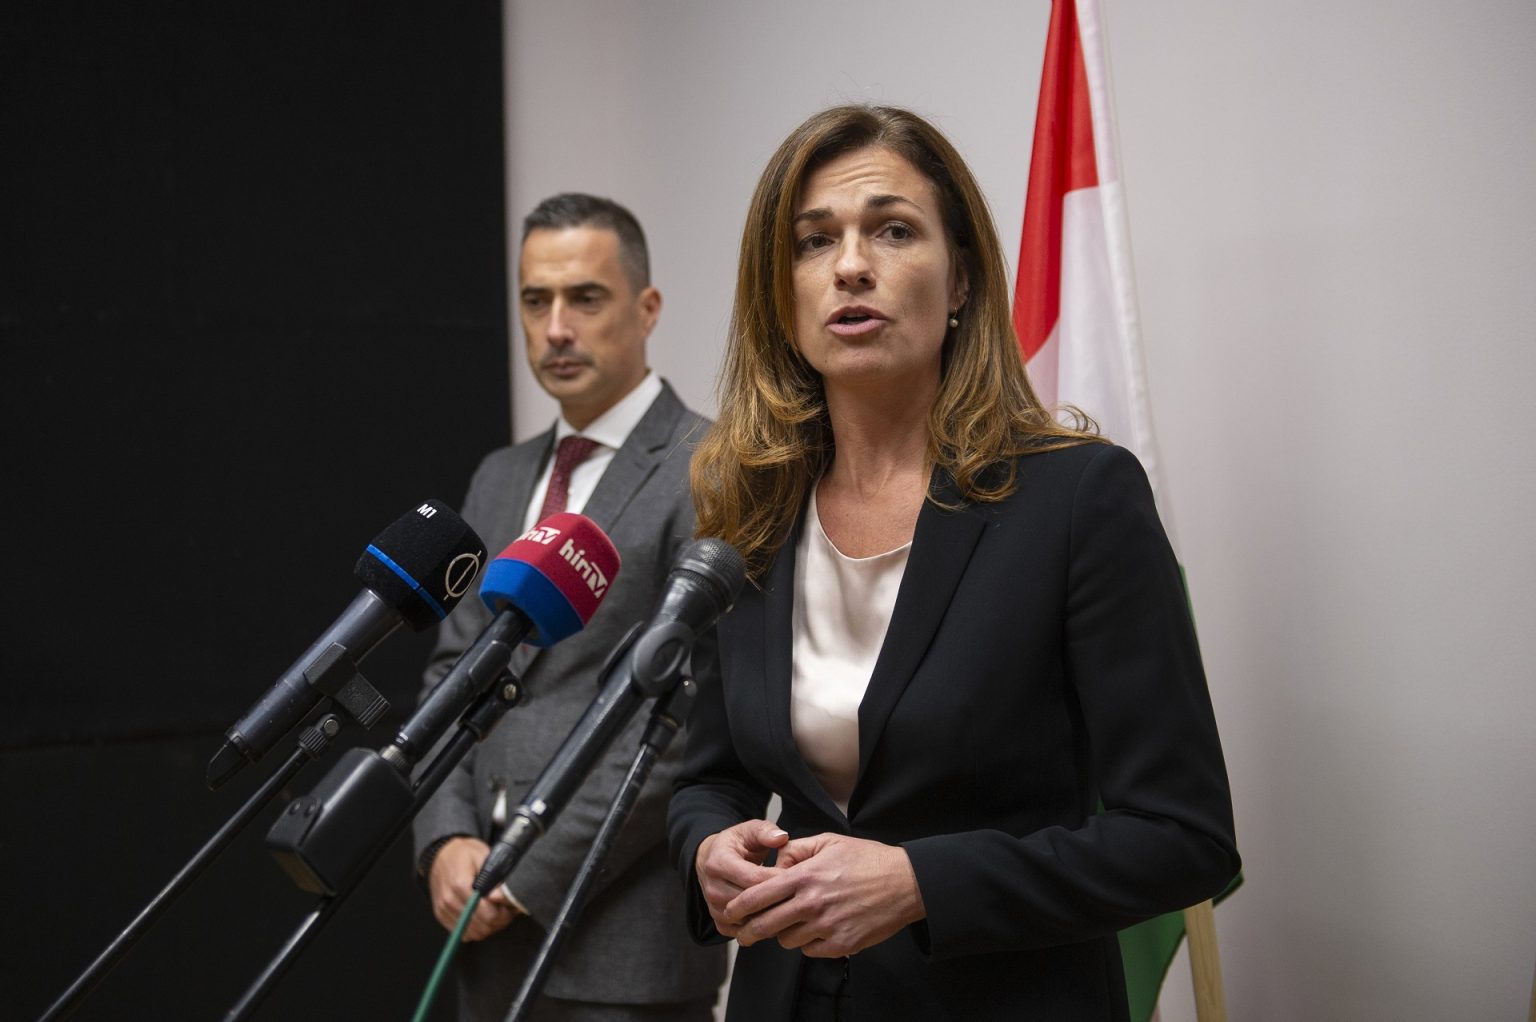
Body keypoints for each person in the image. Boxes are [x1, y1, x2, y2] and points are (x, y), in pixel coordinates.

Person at [667, 106, 1240, 1021]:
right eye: (815, 241)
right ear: (782, 293)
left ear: (962, 277)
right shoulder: (753, 511)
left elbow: (1183, 839)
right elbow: (712, 773)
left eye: (893, 230)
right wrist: (707, 846)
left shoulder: (1077, 499)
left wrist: (919, 883)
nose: (851, 265)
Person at [413, 193, 726, 1022]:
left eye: (585, 298)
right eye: (535, 300)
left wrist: (524, 870)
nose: (556, 329)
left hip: (626, 955)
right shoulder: (499, 476)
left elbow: (686, 719)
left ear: (647, 308)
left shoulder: (712, 465)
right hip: (480, 941)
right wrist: (445, 837)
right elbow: (452, 672)